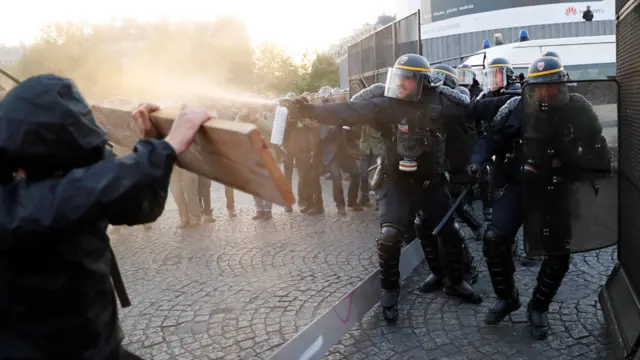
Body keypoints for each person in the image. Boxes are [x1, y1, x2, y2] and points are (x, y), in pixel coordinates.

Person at [0, 74, 212, 359]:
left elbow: (134, 204)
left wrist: (150, 139)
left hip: (96, 344)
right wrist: (164, 148)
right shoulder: (24, 200)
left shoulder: (63, 175)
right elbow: (66, 197)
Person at [282, 53, 482, 323]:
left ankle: (454, 281)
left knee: (450, 231)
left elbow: (476, 112)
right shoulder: (386, 105)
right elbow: (349, 112)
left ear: (422, 82)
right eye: (398, 79)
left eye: (407, 80)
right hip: (395, 181)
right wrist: (310, 111)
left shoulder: (441, 101)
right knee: (390, 236)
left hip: (430, 182)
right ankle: (389, 292)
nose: (400, 85)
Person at [467, 56, 609, 340]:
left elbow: (597, 142)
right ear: (530, 87)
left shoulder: (578, 109)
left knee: (559, 253)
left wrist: (596, 169)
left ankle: (538, 307)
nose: (545, 93)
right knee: (495, 239)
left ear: (562, 84)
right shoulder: (516, 107)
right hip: (521, 186)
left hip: (557, 188)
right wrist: (476, 161)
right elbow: (491, 138)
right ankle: (508, 297)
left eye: (552, 86)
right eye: (539, 87)